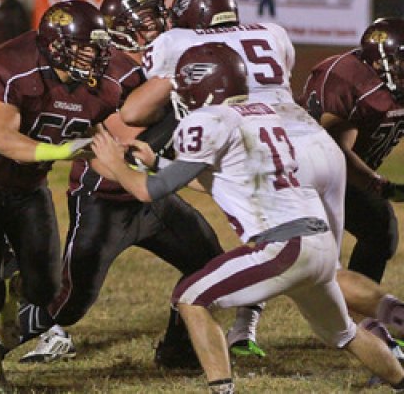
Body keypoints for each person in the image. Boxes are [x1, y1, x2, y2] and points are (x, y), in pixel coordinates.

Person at [92, 41, 404, 394]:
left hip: (283, 245)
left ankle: (222, 389)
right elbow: (226, 181)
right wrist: (157, 163)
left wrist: (116, 165)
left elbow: (148, 192)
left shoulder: (208, 119)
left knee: (190, 298)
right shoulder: (263, 113)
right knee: (345, 332)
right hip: (316, 242)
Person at [15, 0, 223, 368]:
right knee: (71, 303)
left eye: (157, 15)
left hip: (150, 195)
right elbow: (128, 144)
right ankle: (5, 331)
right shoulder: (105, 68)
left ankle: (178, 352)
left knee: (209, 264)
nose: (158, 26)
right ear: (118, 30)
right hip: (104, 198)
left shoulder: (162, 61)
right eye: (144, 22)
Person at [0, 0, 137, 387]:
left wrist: (142, 159)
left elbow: (113, 135)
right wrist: (60, 152)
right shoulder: (13, 65)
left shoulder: (98, 86)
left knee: (46, 287)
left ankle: (13, 296)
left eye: (98, 47)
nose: (94, 55)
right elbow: (2, 139)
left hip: (29, 189)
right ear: (55, 45)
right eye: (84, 46)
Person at [298, 17, 404, 284]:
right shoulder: (352, 81)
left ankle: (360, 315)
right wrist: (381, 186)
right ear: (380, 61)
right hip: (307, 176)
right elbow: (334, 150)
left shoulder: (392, 86)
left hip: (342, 178)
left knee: (380, 229)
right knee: (303, 260)